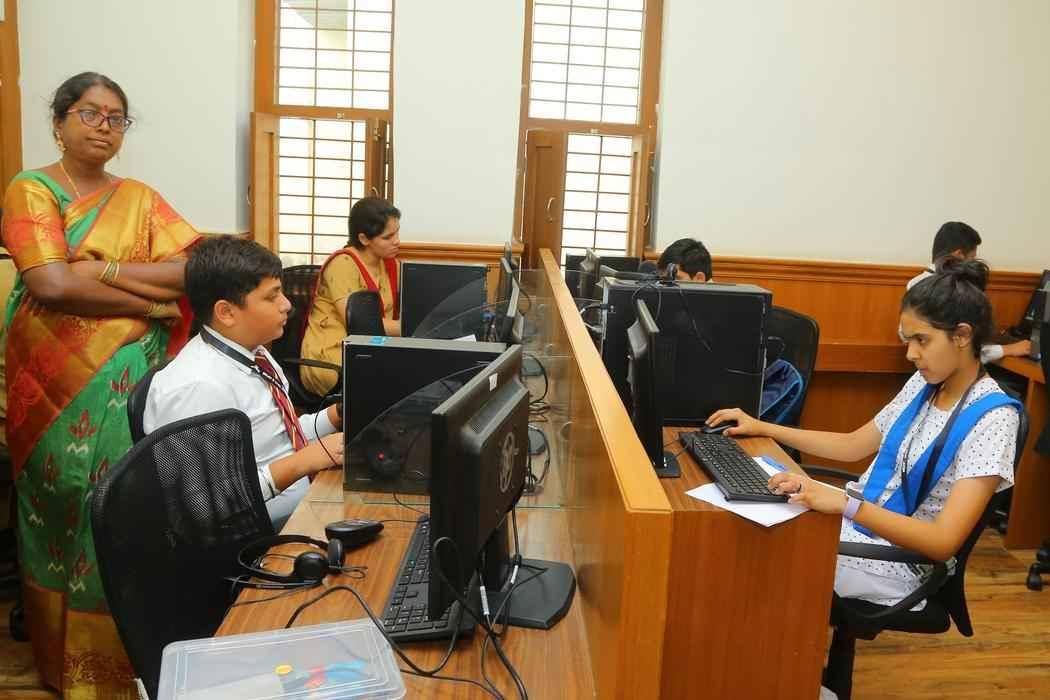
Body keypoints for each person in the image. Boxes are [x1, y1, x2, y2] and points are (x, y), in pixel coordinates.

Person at [1, 72, 199, 698]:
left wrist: (105, 269)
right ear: (59, 122)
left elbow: (189, 270)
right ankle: (61, 664)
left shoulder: (137, 196)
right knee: (62, 507)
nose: (105, 127)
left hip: (134, 383)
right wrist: (148, 302)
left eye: (116, 118)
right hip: (52, 382)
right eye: (90, 114)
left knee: (122, 508)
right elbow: (51, 284)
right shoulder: (31, 188)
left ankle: (119, 665)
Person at [708, 258, 1020, 611]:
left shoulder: (994, 418)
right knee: (744, 528)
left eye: (922, 340)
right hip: (856, 526)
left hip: (899, 563)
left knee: (758, 555)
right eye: (908, 340)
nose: (911, 354)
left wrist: (845, 504)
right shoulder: (925, 384)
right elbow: (853, 445)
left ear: (962, 336)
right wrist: (762, 426)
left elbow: (942, 541)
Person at [143, 237, 343, 531]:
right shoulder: (197, 387)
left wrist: (334, 416)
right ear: (226, 312)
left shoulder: (253, 351)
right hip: (255, 532)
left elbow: (278, 434)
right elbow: (205, 505)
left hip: (299, 501)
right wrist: (301, 463)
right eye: (272, 296)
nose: (287, 305)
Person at [300, 197, 402, 396]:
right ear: (364, 239)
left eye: (397, 232)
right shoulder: (342, 264)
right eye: (388, 237)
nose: (397, 241)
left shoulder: (391, 264)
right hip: (331, 357)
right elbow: (362, 324)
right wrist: (413, 329)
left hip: (369, 350)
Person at [907, 221, 1030, 361]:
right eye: (972, 258)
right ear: (959, 255)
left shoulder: (915, 283)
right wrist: (1008, 349)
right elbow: (957, 348)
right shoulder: (950, 290)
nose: (973, 265)